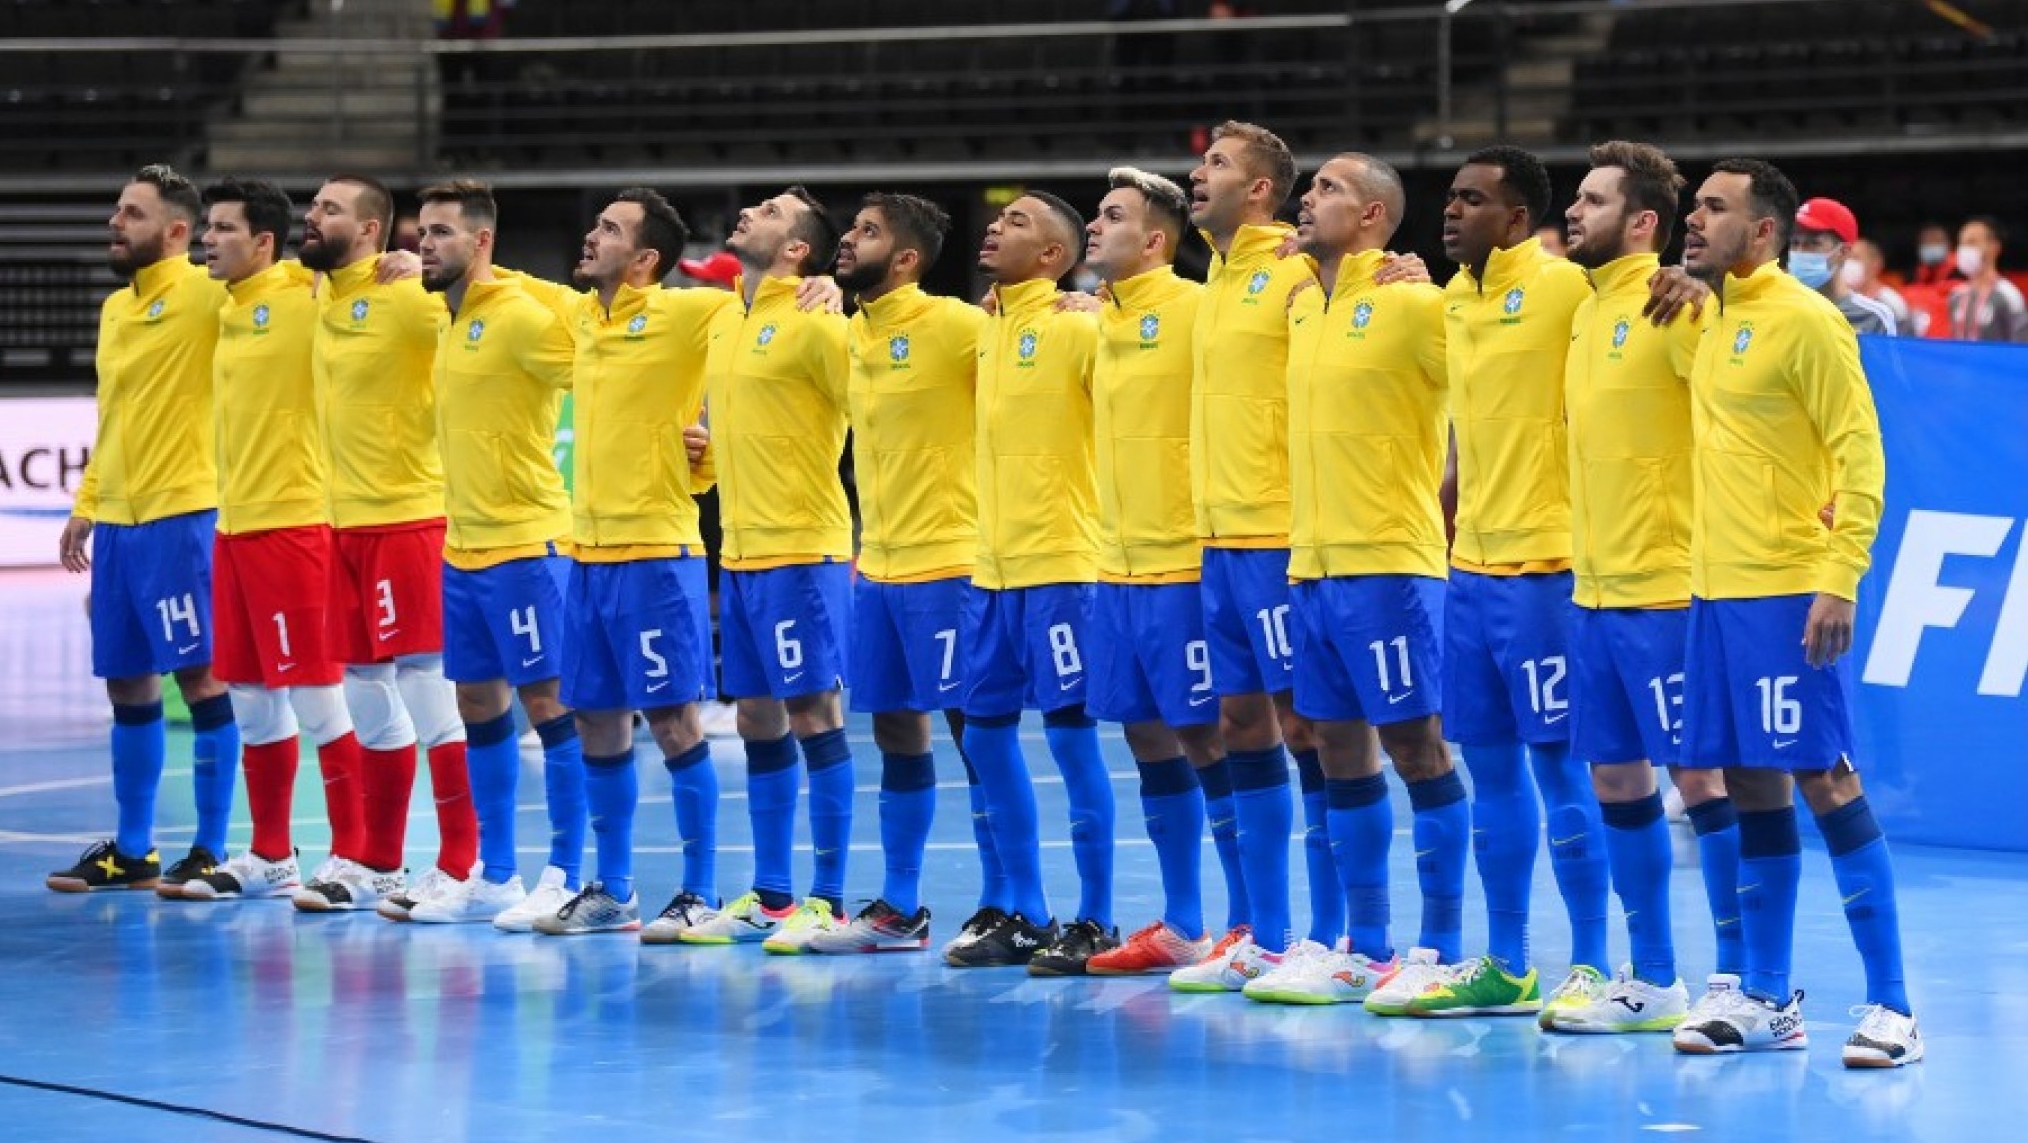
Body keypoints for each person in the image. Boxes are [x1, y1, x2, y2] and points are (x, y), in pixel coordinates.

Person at [1670, 158, 1921, 1068]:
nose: (1692, 220)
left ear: (1764, 230)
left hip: (1786, 588)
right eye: (1692, 206)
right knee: (1749, 784)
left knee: (1827, 779)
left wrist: (1838, 575)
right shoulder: (1708, 316)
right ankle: (1770, 1000)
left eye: (1713, 208)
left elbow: (1862, 456)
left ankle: (1894, 1005)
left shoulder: (1809, 323)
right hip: (1713, 591)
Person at [1242, 152, 1470, 1008]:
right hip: (1313, 565)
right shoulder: (1306, 306)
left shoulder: (1417, 304)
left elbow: (1503, 365)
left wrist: (1444, 287)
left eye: (1329, 189)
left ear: (1374, 215)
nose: (1309, 198)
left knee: (1417, 747)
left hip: (1392, 566)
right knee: (1336, 749)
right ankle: (1365, 946)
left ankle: (1440, 946)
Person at [1541, 140, 1745, 1034]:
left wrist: (1717, 292)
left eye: (1591, 201)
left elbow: (1742, 404)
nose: (1572, 213)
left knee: (1700, 780)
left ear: (1644, 222)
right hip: (1592, 591)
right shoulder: (1586, 313)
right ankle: (1652, 977)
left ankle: (1741, 980)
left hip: (1667, 587)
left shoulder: (1678, 308)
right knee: (1617, 779)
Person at [1406, 145, 1608, 1018]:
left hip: (1548, 570)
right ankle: (1508, 961)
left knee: (1565, 772)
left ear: (1518, 218)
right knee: (1490, 774)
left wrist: (1687, 284)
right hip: (1470, 571)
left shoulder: (1566, 287)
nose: (1451, 210)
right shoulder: (1450, 300)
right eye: (1449, 197)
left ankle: (1595, 963)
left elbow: (1644, 296)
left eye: (1473, 200)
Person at [526, 189, 727, 938]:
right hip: (586, 557)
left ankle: (698, 890)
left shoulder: (688, 313)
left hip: (657, 553)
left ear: (645, 259)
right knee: (596, 721)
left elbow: (766, 314)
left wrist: (824, 283)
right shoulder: (578, 317)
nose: (589, 235)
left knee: (674, 721)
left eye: (609, 229)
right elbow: (503, 283)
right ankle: (612, 890)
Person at [1166, 121, 1334, 990]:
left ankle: (1335, 939)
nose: (1200, 176)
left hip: (1280, 534)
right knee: (1239, 725)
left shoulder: (1298, 272)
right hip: (1218, 540)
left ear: (1263, 189)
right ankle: (1267, 934)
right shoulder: (1215, 282)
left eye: (1219, 165)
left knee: (1311, 726)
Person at [48, 165, 243, 896]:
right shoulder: (114, 311)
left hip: (184, 515)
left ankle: (211, 847)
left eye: (130, 213)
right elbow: (115, 415)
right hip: (123, 526)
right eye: (116, 209)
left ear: (176, 231)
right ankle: (134, 850)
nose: (113, 222)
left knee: (201, 677)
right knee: (127, 683)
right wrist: (88, 502)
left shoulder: (209, 295)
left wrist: (398, 266)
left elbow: (296, 290)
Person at [807, 193, 989, 955]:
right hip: (875, 564)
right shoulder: (848, 334)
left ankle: (1005, 901)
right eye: (851, 229)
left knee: (979, 736)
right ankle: (903, 907)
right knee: (893, 730)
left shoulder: (955, 326)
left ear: (907, 258)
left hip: (951, 560)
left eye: (867, 233)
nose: (848, 240)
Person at [677, 188, 858, 952]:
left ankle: (830, 899)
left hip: (803, 548)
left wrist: (844, 304)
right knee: (756, 717)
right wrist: (703, 452)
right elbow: (734, 435)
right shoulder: (727, 322)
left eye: (774, 209)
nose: (752, 209)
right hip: (743, 553)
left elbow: (871, 410)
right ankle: (774, 895)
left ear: (798, 250)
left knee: (816, 713)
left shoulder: (818, 319)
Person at [404, 180, 587, 928]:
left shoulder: (517, 317)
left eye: (442, 232)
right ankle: (497, 873)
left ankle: (568, 872)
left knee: (549, 705)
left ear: (482, 242)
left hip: (528, 543)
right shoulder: (447, 318)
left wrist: (682, 430)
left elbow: (602, 362)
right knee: (479, 703)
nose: (425, 244)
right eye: (422, 231)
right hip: (464, 545)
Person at [180, 178, 368, 903]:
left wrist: (404, 265)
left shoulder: (306, 291)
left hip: (296, 526)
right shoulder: (220, 308)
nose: (208, 239)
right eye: (206, 228)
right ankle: (270, 853)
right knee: (252, 699)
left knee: (321, 701)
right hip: (233, 528)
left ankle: (356, 854)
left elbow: (367, 277)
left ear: (264, 241)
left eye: (223, 228)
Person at [943, 192, 1118, 971]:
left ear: (1054, 256)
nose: (995, 227)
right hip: (991, 572)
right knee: (983, 735)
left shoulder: (1079, 325)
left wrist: (1108, 304)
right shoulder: (985, 328)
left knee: (1072, 739)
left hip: (1063, 569)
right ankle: (1026, 909)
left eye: (1017, 223)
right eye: (998, 217)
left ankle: (1097, 917)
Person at [295, 174, 477, 916]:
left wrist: (423, 272)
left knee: (432, 698)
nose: (312, 216)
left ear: (371, 230)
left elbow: (483, 306)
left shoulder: (408, 296)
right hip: (343, 525)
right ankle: (376, 858)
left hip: (409, 520)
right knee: (368, 694)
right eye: (312, 207)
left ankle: (463, 866)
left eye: (329, 209)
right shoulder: (321, 295)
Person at [1070, 168, 1225, 976]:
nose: (1096, 227)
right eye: (1096, 215)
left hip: (1185, 563)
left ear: (1157, 241)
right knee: (1145, 738)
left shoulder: (1201, 310)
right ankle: (1182, 925)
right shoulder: (1095, 322)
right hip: (1114, 566)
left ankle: (1248, 927)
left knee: (1208, 739)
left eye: (1114, 216)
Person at [1789, 197, 1896, 336]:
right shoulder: (1778, 309)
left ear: (1843, 252)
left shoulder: (1873, 317)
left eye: (1813, 244)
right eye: (1795, 243)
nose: (1800, 253)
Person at [1945, 216, 2028, 342]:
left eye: (1971, 242)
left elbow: (2020, 347)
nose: (1963, 249)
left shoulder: (2008, 296)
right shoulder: (1956, 296)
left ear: (1994, 247)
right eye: (1961, 243)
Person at [1844, 238, 1912, 334]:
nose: (1849, 264)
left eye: (1856, 258)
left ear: (1876, 263)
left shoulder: (1891, 303)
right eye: (1847, 258)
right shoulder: (1841, 300)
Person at [1909, 222, 1960, 288]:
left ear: (1949, 245)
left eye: (1937, 241)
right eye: (1926, 242)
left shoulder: (1960, 272)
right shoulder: (1914, 276)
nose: (1931, 245)